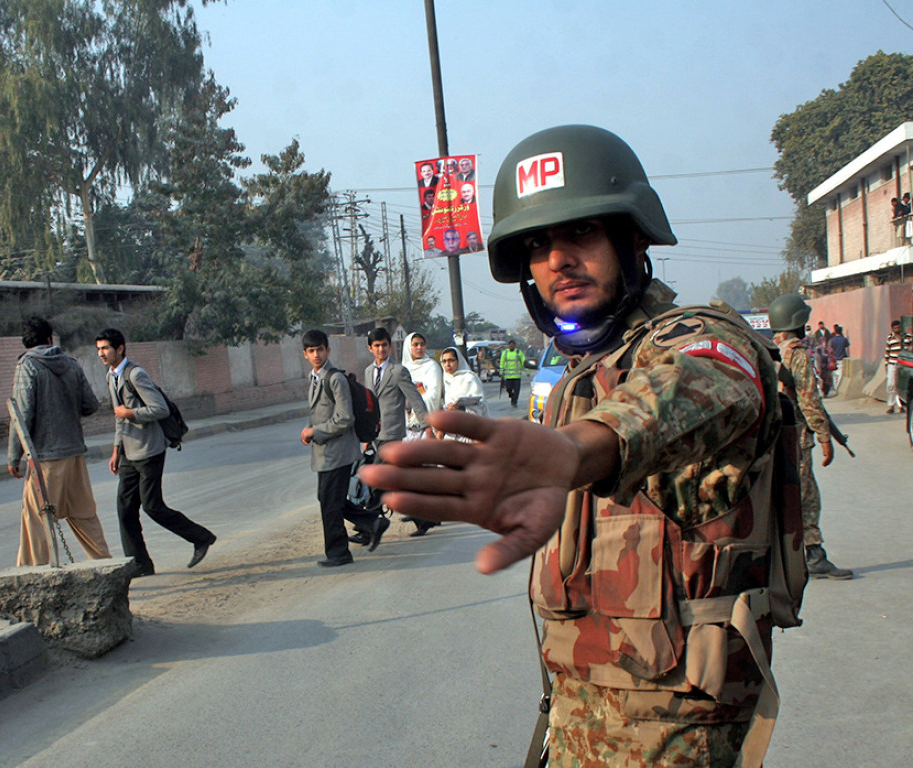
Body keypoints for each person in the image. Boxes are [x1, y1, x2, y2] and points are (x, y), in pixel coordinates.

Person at [362, 125, 785, 767]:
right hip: (577, 709)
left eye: (580, 233)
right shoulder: (573, 372)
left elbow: (705, 383)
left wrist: (579, 449)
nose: (557, 259)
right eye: (537, 244)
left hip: (674, 731)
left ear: (631, 236)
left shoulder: (701, 338)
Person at [96, 328, 216, 576]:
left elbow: (159, 408)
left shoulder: (136, 374)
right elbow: (119, 419)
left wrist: (130, 413)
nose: (101, 353)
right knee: (125, 509)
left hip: (150, 450)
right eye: (98, 349)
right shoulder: (111, 376)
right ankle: (140, 564)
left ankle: (201, 537)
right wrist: (116, 450)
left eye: (106, 348)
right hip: (129, 452)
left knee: (152, 506)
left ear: (120, 348)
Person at [7, 317, 111, 567]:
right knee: (85, 516)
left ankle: (32, 578)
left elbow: (21, 416)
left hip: (45, 459)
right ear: (50, 338)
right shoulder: (71, 364)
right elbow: (90, 405)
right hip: (75, 454)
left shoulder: (27, 366)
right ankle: (106, 566)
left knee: (36, 521)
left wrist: (13, 457)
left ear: (26, 341)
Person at [769, 295, 852, 580]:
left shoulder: (773, 350)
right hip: (797, 434)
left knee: (781, 493)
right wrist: (824, 436)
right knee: (806, 495)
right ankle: (814, 555)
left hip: (776, 433)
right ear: (799, 322)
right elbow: (808, 400)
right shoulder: (798, 354)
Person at [299, 329, 389, 565]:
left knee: (330, 503)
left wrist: (315, 432)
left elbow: (344, 418)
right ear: (305, 354)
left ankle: (338, 553)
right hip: (326, 452)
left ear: (328, 350)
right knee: (329, 499)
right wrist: (310, 429)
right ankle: (373, 522)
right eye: (311, 351)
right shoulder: (315, 378)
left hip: (338, 451)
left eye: (320, 349)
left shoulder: (335, 379)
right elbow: (321, 413)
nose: (316, 354)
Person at [363, 328, 432, 536]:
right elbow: (368, 405)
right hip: (376, 434)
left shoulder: (398, 371)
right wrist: (366, 436)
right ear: (370, 348)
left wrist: (427, 425)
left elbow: (415, 398)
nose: (381, 349)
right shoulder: (368, 372)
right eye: (376, 346)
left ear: (390, 346)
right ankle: (424, 517)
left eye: (384, 345)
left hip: (393, 433)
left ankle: (369, 526)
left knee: (375, 478)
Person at [439, 347, 489, 442]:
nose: (447, 364)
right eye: (444, 361)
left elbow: (481, 405)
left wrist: (461, 408)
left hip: (469, 433)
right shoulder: (445, 380)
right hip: (451, 434)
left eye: (451, 360)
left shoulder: (469, 379)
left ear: (459, 361)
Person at [401, 331, 443, 437]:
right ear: (408, 347)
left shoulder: (432, 367)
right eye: (415, 345)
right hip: (406, 428)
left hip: (427, 428)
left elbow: (434, 396)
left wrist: (414, 404)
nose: (419, 348)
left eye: (422, 344)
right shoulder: (403, 369)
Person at [498, 338, 526, 407]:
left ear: (515, 345)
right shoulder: (505, 353)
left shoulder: (518, 352)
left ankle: (514, 402)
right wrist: (501, 372)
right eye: (510, 345)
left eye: (513, 345)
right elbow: (502, 362)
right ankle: (512, 396)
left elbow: (524, 362)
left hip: (517, 376)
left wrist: (527, 371)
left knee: (516, 391)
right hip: (508, 376)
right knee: (508, 389)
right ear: (508, 345)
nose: (511, 346)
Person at [885, 319, 904, 414]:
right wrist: (886, 365)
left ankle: (901, 405)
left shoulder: (906, 337)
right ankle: (891, 405)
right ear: (892, 328)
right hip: (892, 364)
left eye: (899, 327)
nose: (898, 329)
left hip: (902, 365)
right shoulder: (890, 338)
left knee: (900, 385)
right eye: (896, 328)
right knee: (891, 385)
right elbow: (887, 353)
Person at [829, 324, 849, 392]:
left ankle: (836, 387)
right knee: (840, 373)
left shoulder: (832, 340)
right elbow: (847, 345)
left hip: (833, 359)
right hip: (842, 358)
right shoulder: (844, 339)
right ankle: (839, 388)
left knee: (834, 374)